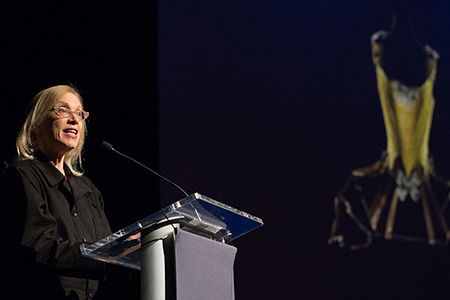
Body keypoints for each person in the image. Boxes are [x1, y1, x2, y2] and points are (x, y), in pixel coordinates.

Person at [1, 85, 112, 299]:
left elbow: (107, 247)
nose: (75, 119)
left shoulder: (89, 189)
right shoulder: (24, 175)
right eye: (62, 110)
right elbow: (39, 246)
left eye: (80, 113)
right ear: (37, 126)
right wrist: (100, 254)